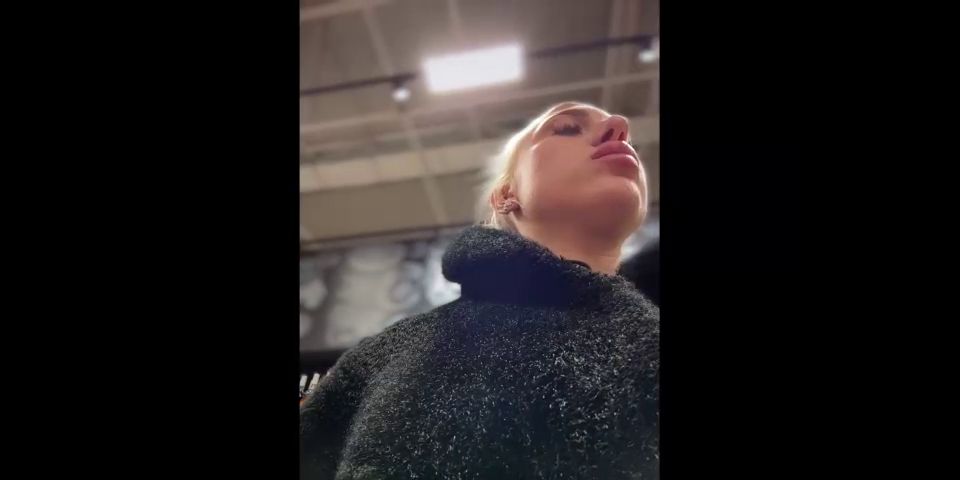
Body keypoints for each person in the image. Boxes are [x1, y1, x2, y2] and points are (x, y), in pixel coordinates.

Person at [300, 102, 659, 479]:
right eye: (567, 127)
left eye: (627, 136)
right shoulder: (385, 358)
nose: (620, 125)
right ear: (505, 195)